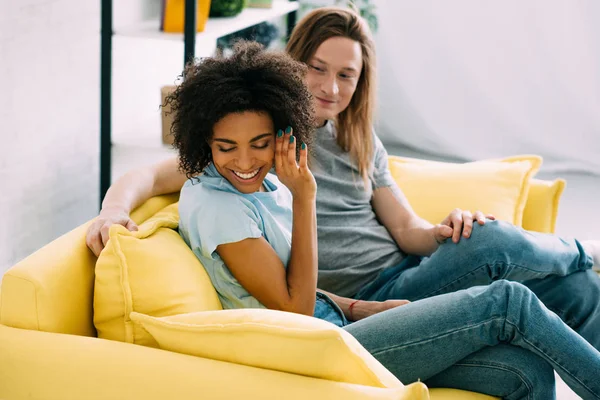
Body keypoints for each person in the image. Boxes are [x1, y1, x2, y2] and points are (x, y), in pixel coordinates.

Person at [87, 7, 600, 398]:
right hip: (344, 315)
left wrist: (443, 231)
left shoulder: (341, 140)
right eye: (316, 68)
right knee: (512, 298)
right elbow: (155, 174)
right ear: (292, 66)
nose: (330, 88)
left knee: (565, 295)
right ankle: (585, 249)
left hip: (385, 289)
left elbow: (405, 231)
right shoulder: (251, 144)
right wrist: (113, 211)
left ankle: (581, 263)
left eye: (346, 75)